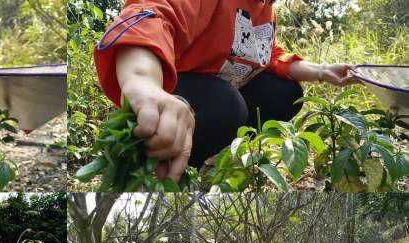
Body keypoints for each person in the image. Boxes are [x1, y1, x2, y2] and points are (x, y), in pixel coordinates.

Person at [93, 0, 359, 183]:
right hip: (171, 91)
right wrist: (144, 84)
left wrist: (323, 71)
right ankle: (168, 161)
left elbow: (268, 55)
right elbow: (153, 14)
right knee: (227, 104)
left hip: (216, 89)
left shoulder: (265, 9)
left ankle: (213, 153)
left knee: (284, 93)